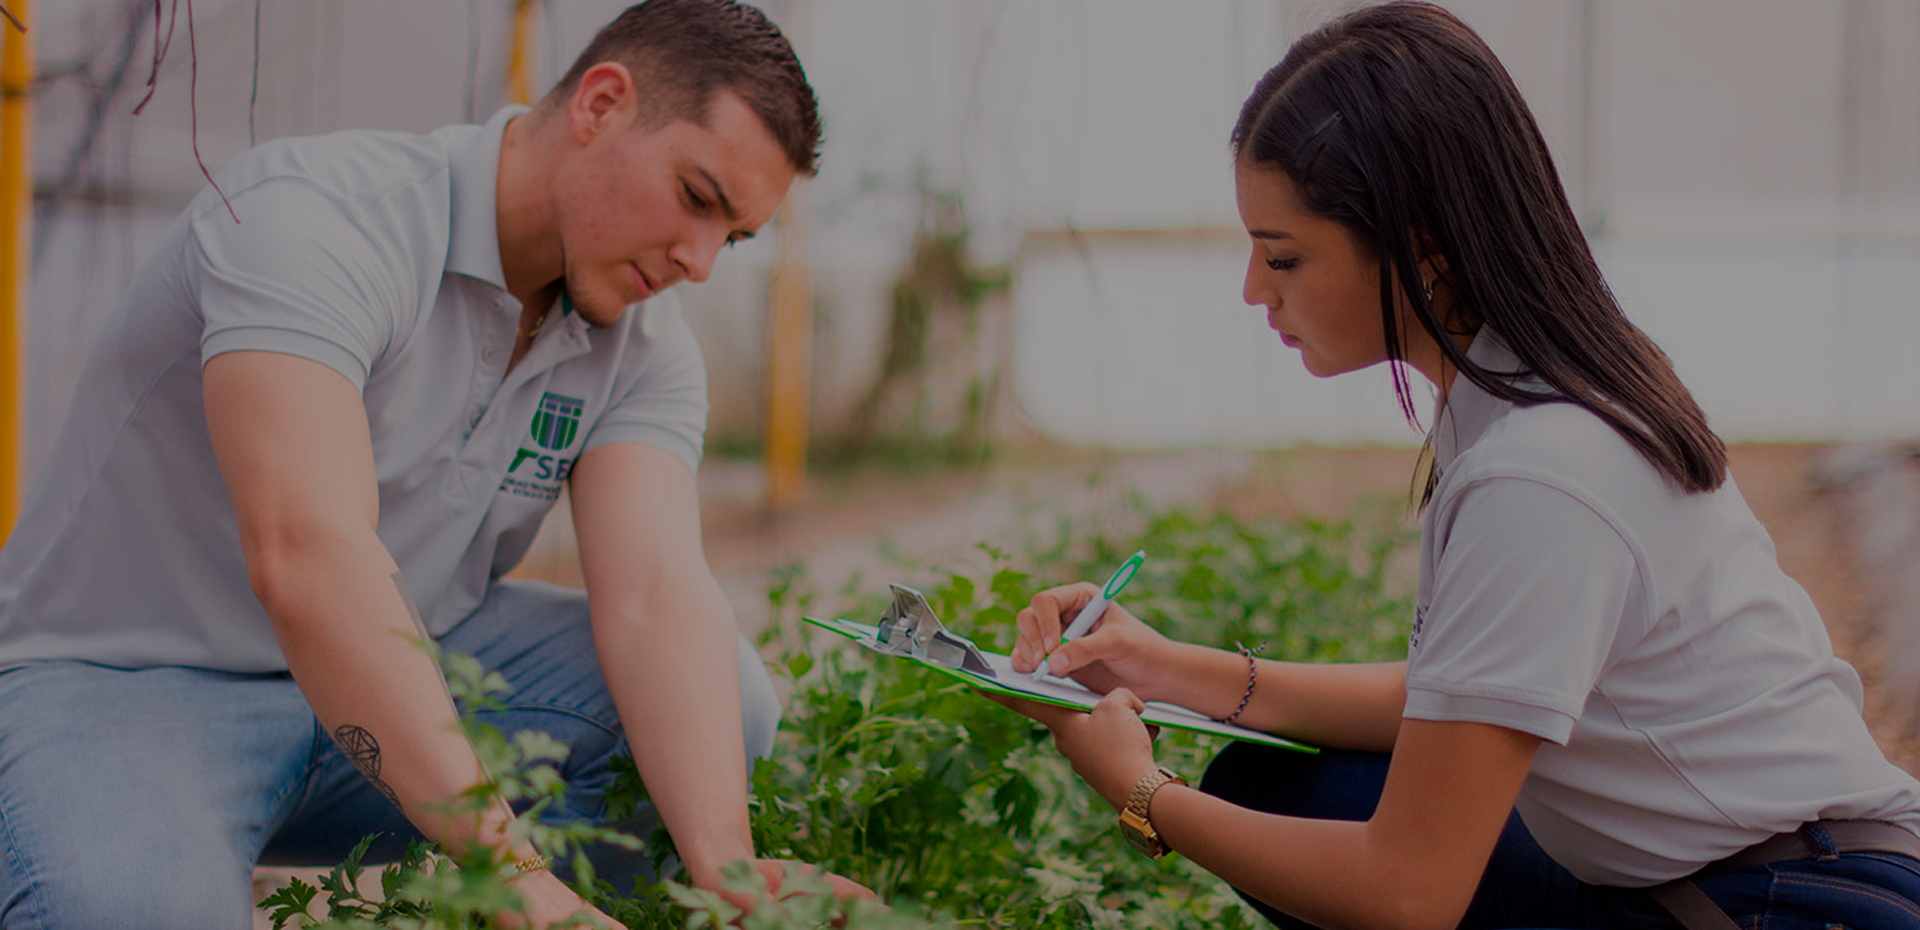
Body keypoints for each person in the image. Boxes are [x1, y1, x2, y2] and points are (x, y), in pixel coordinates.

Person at [991, 4, 1920, 929]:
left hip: (1796, 904)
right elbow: (1462, 696)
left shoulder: (1543, 473)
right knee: (1282, 787)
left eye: (1284, 257)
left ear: (1422, 247)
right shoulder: (1529, 392)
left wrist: (1143, 792)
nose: (1253, 289)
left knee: (1336, 842)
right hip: (1739, 873)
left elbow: (1406, 895)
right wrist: (1162, 668)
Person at [0, 1, 870, 927]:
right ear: (601, 104)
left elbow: (654, 594)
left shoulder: (642, 340)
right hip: (128, 684)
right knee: (128, 908)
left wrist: (728, 867)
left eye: (733, 236)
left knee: (718, 697)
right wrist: (509, 870)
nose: (700, 263)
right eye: (697, 197)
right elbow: (308, 556)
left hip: (402, 672)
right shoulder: (317, 220)